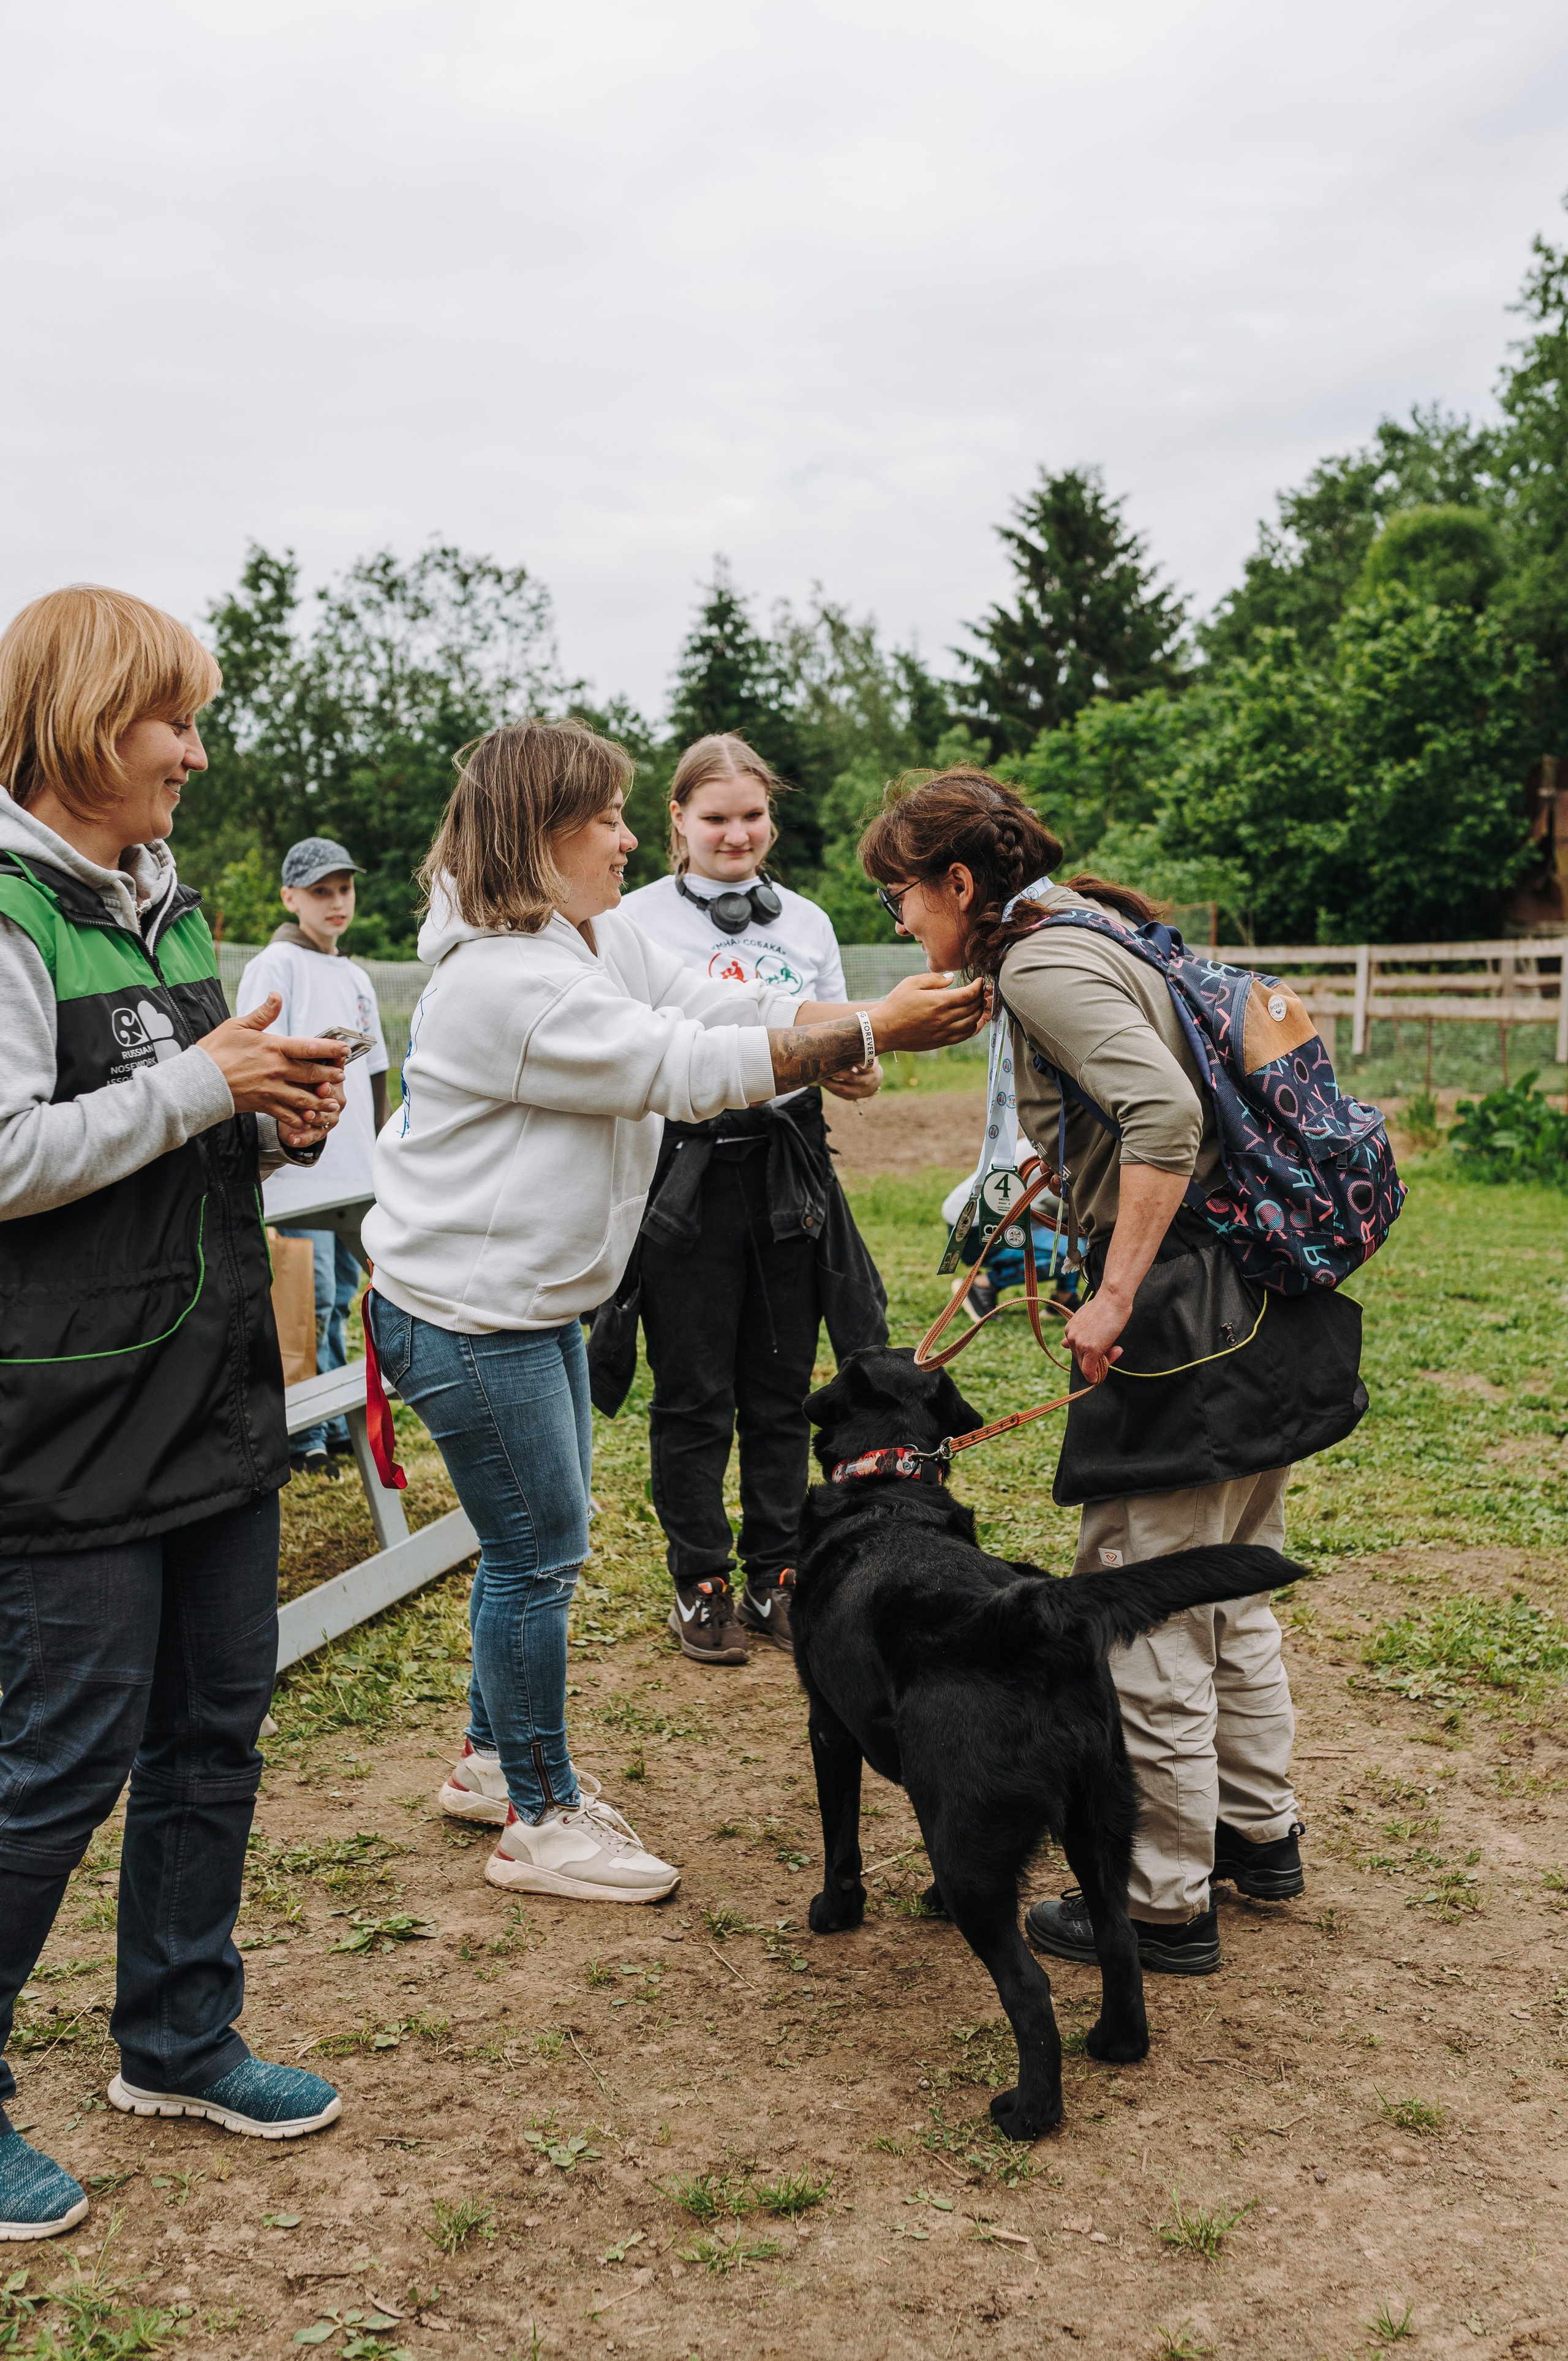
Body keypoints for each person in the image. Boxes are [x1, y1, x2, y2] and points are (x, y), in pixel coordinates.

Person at [361, 719, 983, 1906]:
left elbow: (704, 1006)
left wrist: (826, 1037)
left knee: (523, 1545)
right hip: (470, 1314)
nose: (628, 835)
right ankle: (538, 1815)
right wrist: (861, 1029)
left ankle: (491, 1761)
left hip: (519, 1303)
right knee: (542, 1555)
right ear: (537, 834)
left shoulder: (579, 935)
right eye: (604, 816)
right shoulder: (508, 981)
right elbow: (678, 1070)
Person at [861, 769, 1365, 1976]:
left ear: (958, 883)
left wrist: (1112, 1291)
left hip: (1190, 1318)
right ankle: (1257, 1834)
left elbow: (1162, 1117)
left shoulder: (1038, 959)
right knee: (1216, 1590)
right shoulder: (1081, 925)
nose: (894, 919)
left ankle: (1159, 1898)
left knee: (1139, 1611)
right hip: (1255, 1310)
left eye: (898, 894)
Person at [0, 585, 352, 2239]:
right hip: (65, 1423)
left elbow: (161, 1121)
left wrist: (269, 1115)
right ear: (82, 722)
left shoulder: (161, 900)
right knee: (53, 1763)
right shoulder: (6, 906)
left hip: (212, 1392)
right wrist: (207, 1080)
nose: (197, 755)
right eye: (174, 723)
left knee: (213, 1727)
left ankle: (178, 2035)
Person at [608, 733, 888, 1666]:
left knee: (780, 1385)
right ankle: (701, 1578)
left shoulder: (805, 921)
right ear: (677, 821)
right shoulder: (629, 918)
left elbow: (844, 1040)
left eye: (753, 816)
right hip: (685, 1173)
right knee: (694, 1391)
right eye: (716, 817)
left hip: (788, 1167)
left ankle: (776, 1572)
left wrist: (858, 1070)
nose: (738, 834)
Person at [238, 838, 391, 1476]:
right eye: (320, 891)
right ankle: (306, 1433)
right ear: (289, 897)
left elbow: (379, 1070)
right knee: (309, 1298)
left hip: (354, 1173)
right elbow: (259, 1063)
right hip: (301, 1173)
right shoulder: (276, 966)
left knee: (340, 1300)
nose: (335, 902)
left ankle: (333, 1426)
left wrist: (385, 1156)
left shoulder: (355, 975)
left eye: (344, 889)